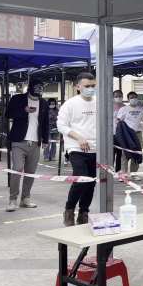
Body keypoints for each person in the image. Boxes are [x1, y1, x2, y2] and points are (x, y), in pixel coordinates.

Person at [58, 72, 97, 226]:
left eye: (93, 86)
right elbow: (61, 125)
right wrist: (79, 138)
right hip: (76, 147)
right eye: (87, 86)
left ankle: (84, 212)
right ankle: (69, 210)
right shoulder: (70, 104)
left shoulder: (99, 102)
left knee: (91, 182)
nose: (90, 89)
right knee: (81, 177)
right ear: (78, 87)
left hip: (95, 148)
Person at [5, 80, 50, 212]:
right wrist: (23, 111)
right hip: (19, 141)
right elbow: (8, 114)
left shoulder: (43, 103)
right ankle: (12, 200)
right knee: (17, 169)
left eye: (40, 90)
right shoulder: (17, 99)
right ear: (30, 88)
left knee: (30, 173)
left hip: (35, 142)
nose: (38, 93)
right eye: (36, 89)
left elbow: (45, 122)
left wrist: (46, 139)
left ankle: (25, 199)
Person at [116, 91, 143, 178]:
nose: (133, 99)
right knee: (125, 154)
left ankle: (134, 173)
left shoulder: (141, 109)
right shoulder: (123, 109)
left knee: (136, 153)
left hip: (138, 133)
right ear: (128, 99)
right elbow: (119, 121)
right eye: (131, 97)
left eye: (135, 97)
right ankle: (123, 174)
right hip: (127, 134)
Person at [113, 90, 124, 172]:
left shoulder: (125, 107)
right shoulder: (109, 106)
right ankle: (110, 169)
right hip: (111, 134)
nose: (118, 97)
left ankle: (118, 170)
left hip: (121, 134)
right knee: (111, 153)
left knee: (120, 154)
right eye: (116, 96)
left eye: (120, 96)